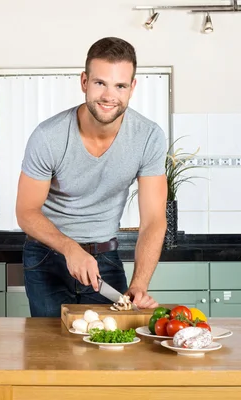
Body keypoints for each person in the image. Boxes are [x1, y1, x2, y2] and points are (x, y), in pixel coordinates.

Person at [15, 37, 167, 318]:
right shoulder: (49, 136)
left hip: (105, 257)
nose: (109, 96)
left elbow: (154, 219)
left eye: (120, 85)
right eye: (100, 83)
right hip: (47, 256)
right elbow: (26, 211)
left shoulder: (149, 137)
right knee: (53, 353)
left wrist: (139, 284)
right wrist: (70, 248)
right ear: (84, 82)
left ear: (132, 88)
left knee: (111, 351)